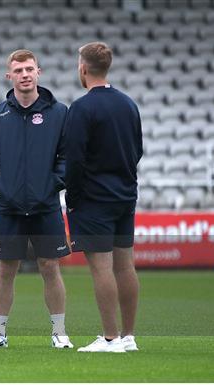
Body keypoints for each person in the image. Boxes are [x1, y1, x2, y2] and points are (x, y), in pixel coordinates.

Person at [0, 49, 73, 349]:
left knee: (49, 267)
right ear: (9, 76)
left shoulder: (60, 113)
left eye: (29, 69)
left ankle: (59, 332)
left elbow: (69, 156)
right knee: (5, 269)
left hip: (46, 206)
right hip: (9, 206)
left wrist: (53, 183)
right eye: (19, 71)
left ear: (39, 72)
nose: (25, 74)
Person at [64, 42, 143, 353]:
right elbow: (137, 150)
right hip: (125, 196)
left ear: (83, 68)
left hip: (94, 199)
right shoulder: (128, 104)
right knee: (126, 266)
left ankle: (110, 338)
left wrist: (73, 197)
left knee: (101, 268)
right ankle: (129, 336)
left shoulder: (82, 108)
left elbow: (75, 159)